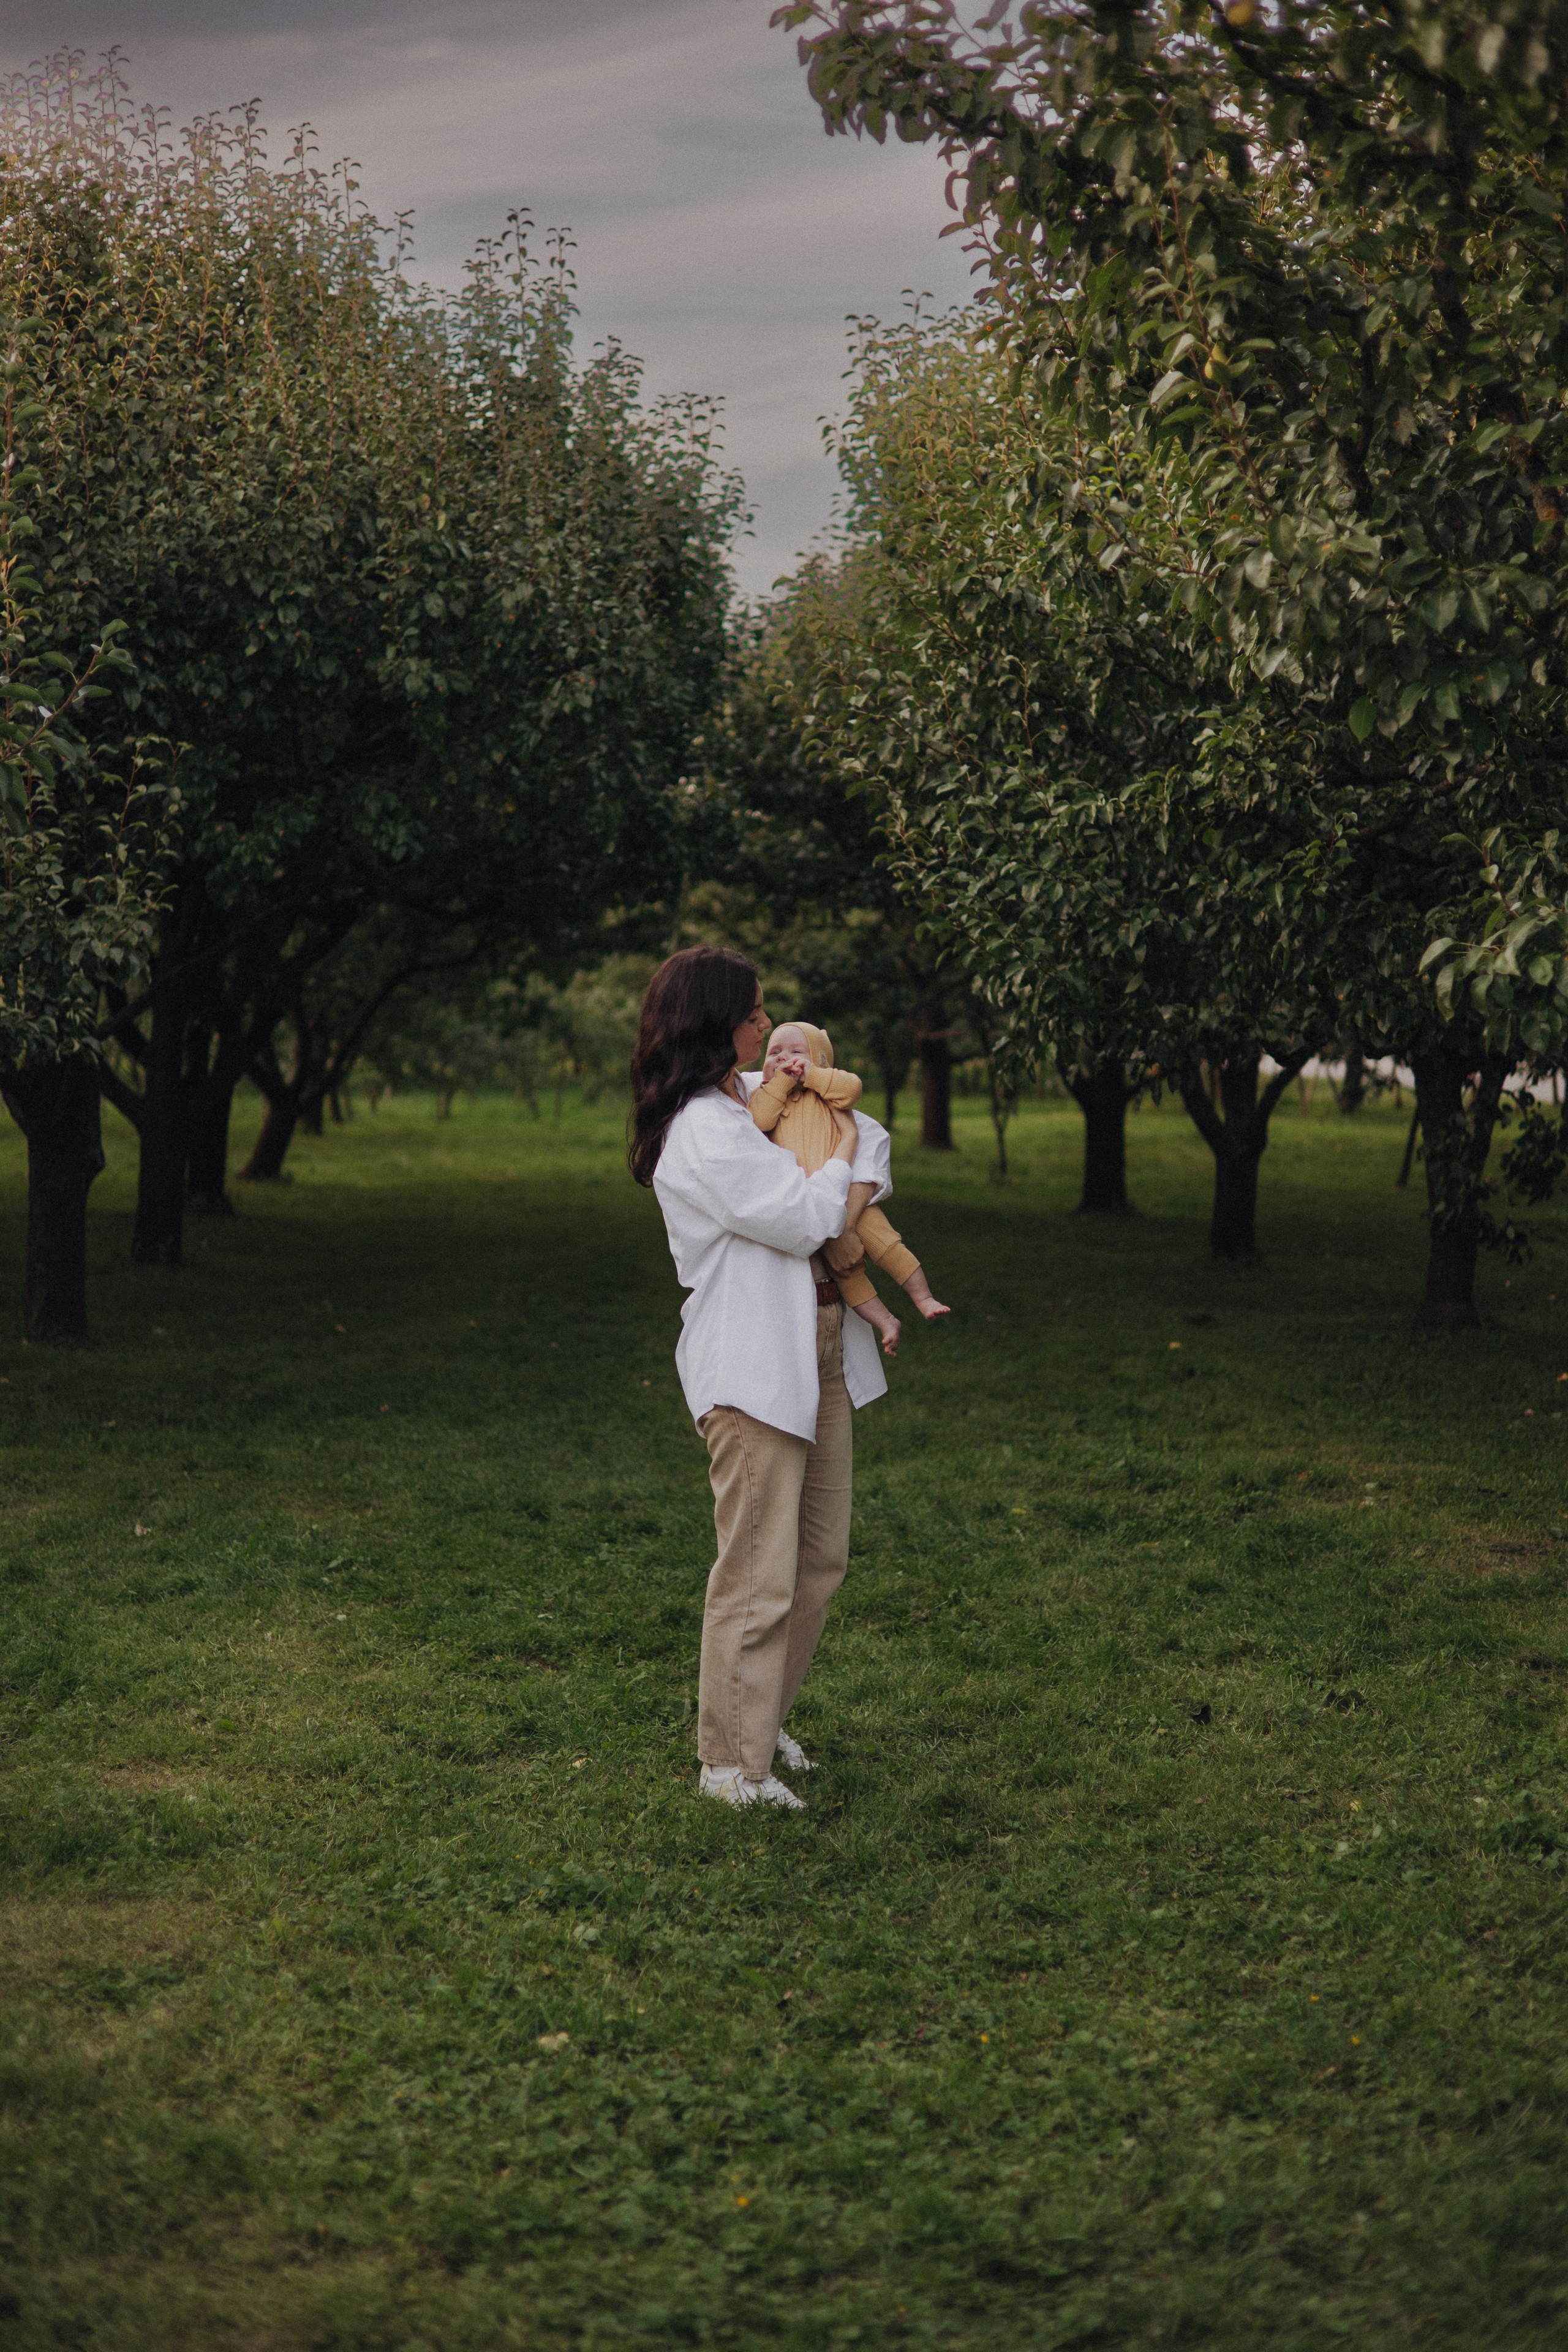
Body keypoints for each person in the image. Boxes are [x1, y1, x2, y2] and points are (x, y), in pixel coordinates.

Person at [630, 946, 894, 1809]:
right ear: (714, 1024)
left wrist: (847, 1150)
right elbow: (810, 1214)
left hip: (818, 1343)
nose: (767, 1025)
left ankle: (760, 1716)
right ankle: (730, 1767)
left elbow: (867, 1133)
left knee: (818, 1559)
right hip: (753, 1363)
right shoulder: (704, 1129)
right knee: (758, 1571)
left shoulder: (747, 1097)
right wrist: (841, 1155)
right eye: (752, 1013)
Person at [750, 1018, 949, 1360]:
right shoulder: (767, 1098)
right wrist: (780, 1083)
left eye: (796, 1052)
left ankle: (923, 1297)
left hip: (848, 1195)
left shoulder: (827, 1092)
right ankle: (885, 1321)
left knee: (888, 1245)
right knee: (845, 1271)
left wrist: (812, 1076)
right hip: (812, 1205)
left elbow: (851, 1088)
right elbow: (759, 1121)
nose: (784, 1059)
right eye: (775, 1053)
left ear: (820, 1061)